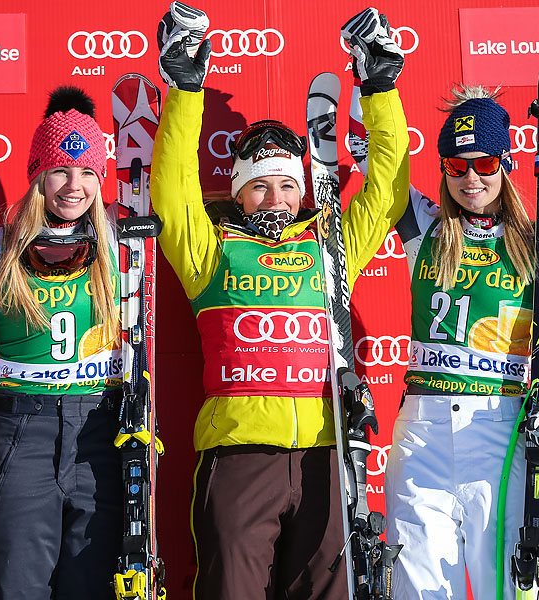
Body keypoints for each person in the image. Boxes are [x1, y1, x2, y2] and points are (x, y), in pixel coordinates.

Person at [150, 3, 408, 599]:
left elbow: (390, 191)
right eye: (258, 185)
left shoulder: (333, 245)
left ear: (303, 191)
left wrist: (379, 87)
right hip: (241, 456)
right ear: (238, 194)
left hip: (325, 455)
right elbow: (171, 190)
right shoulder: (209, 253)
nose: (274, 196)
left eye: (288, 184)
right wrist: (186, 90)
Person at [382, 86, 539, 599]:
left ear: (506, 162)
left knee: (509, 588)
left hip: (501, 434)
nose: (471, 177)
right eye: (456, 166)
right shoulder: (424, 229)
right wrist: (378, 84)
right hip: (423, 437)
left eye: (484, 162)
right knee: (418, 589)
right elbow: (384, 166)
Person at [0, 86, 125, 599]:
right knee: (13, 588)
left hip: (100, 433)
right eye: (59, 171)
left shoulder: (120, 245)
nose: (73, 187)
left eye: (87, 174)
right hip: (20, 432)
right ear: (36, 176)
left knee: (94, 587)